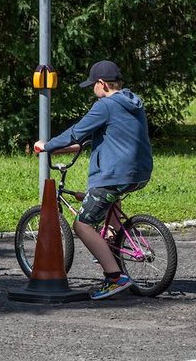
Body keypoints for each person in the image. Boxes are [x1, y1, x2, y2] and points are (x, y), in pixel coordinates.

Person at [34, 60, 153, 301]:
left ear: (102, 84)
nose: (92, 91)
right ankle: (119, 239)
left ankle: (114, 277)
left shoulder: (106, 105)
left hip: (113, 174)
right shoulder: (133, 102)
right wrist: (62, 149)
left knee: (83, 224)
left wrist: (47, 146)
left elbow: (76, 132)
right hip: (138, 173)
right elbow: (96, 137)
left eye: (93, 86)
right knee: (107, 207)